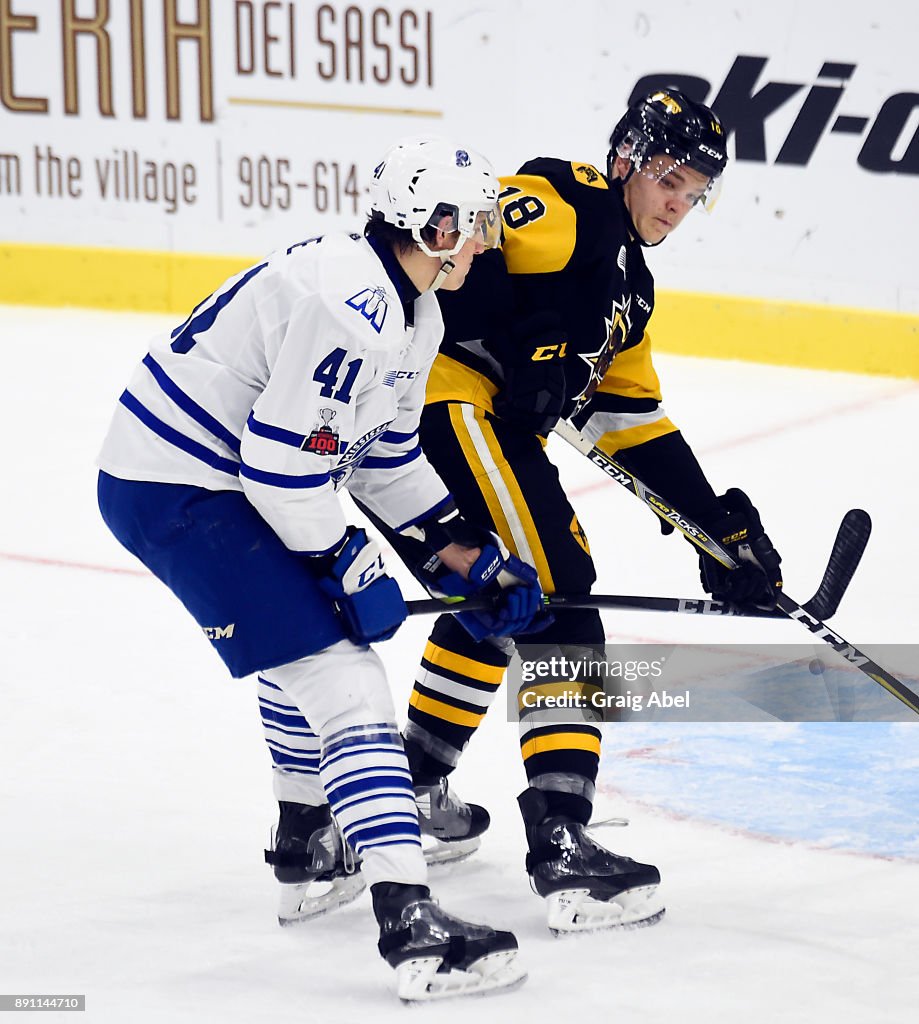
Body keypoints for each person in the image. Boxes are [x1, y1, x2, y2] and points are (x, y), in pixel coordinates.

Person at [96, 137, 544, 1001]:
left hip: (211, 477)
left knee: (308, 637)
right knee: (346, 681)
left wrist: (455, 546)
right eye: (476, 223)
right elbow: (281, 470)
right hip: (179, 486)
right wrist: (344, 557)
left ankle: (305, 848)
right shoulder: (355, 306)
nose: (486, 241)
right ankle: (409, 923)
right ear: (432, 222)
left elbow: (379, 453)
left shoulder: (414, 309)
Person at [363, 89, 783, 933]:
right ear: (626, 159)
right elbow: (449, 240)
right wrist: (519, 332)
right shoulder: (573, 200)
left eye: (696, 188)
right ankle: (561, 846)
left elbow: (630, 423)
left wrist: (714, 527)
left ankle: (408, 786)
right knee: (560, 607)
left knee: (505, 597)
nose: (679, 200)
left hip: (485, 425)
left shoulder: (631, 289)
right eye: (669, 176)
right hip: (444, 404)